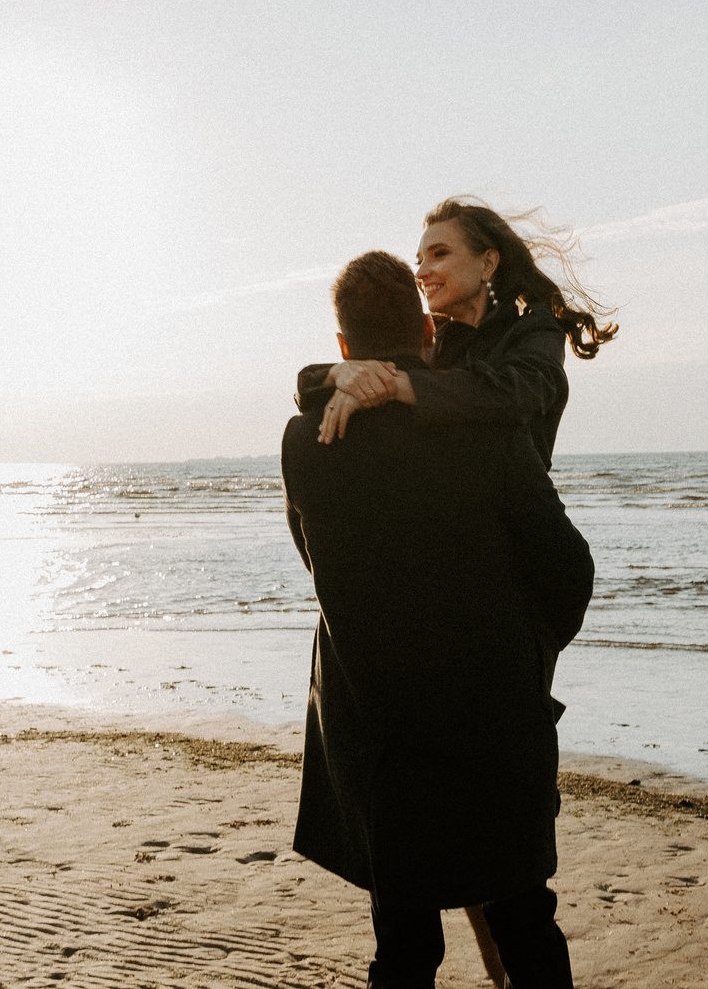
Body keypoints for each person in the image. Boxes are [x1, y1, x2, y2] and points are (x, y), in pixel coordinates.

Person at [282, 250, 596, 989]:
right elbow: (568, 571)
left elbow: (316, 559)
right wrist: (523, 650)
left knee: (403, 945)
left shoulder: (307, 441)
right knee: (524, 924)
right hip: (491, 720)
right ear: (427, 330)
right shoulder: (484, 430)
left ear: (343, 345)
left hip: (377, 727)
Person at [303, 197, 617, 466]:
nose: (421, 272)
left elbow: (511, 394)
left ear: (487, 263)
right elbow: (314, 385)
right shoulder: (436, 338)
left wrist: (389, 385)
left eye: (439, 254)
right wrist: (341, 374)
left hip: (517, 512)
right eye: (420, 260)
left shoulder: (535, 331)